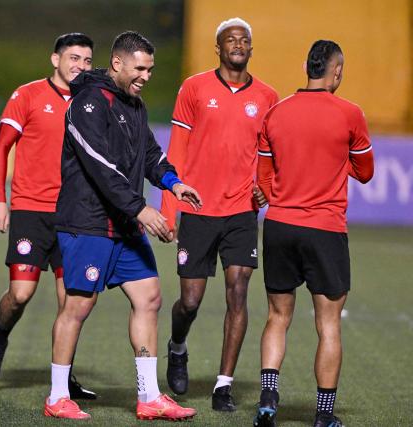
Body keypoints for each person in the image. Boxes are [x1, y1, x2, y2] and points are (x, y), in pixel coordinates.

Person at [44, 31, 201, 421]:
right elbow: (100, 165)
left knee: (149, 297)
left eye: (151, 69)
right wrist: (141, 210)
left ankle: (149, 397)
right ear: (118, 63)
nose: (146, 75)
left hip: (123, 225)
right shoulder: (87, 103)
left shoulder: (134, 105)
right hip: (89, 222)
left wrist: (173, 182)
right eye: (140, 68)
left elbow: (149, 154)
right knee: (78, 305)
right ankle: (57, 396)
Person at [252, 40, 374, 427]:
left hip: (280, 226)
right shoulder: (350, 114)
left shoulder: (276, 113)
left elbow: (263, 179)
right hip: (324, 229)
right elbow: (366, 171)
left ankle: (269, 396)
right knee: (328, 324)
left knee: (277, 315)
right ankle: (324, 415)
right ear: (335, 71)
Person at [160, 17, 278, 410]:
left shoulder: (267, 96)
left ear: (251, 47)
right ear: (219, 47)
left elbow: (269, 155)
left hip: (242, 212)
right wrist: (168, 207)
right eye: (231, 39)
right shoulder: (194, 88)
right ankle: (178, 346)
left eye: (245, 38)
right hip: (197, 207)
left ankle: (223, 385)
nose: (239, 43)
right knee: (190, 300)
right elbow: (176, 149)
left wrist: (267, 187)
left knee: (239, 293)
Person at [0, 33, 96, 400]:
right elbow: (0, 148)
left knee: (71, 305)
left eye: (87, 61)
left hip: (75, 216)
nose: (80, 66)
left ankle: (64, 378)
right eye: (74, 58)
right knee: (20, 293)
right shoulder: (27, 95)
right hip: (31, 209)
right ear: (55, 59)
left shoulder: (93, 100)